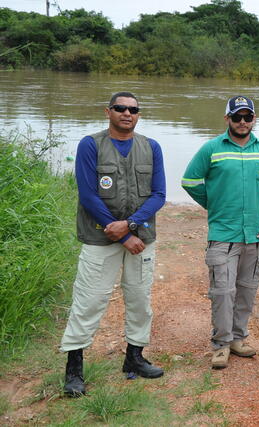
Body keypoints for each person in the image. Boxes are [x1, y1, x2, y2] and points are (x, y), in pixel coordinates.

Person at [61, 91, 166, 397]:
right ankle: (74, 369)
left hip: (141, 240)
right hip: (99, 238)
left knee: (139, 299)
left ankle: (134, 359)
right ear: (108, 112)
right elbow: (88, 194)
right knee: (88, 300)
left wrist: (131, 226)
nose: (126, 113)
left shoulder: (152, 147)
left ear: (138, 114)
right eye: (120, 108)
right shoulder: (90, 145)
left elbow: (159, 194)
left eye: (133, 109)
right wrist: (121, 233)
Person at [182, 96, 259, 369]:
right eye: (236, 117)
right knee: (222, 292)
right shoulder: (212, 148)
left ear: (253, 119)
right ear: (227, 118)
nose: (242, 122)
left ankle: (239, 338)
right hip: (223, 234)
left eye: (247, 117)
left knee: (247, 290)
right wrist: (214, 202)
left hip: (255, 235)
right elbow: (190, 181)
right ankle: (221, 344)